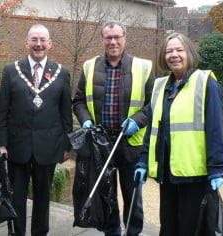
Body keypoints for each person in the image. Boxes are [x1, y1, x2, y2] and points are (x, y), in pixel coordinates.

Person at [134, 32, 223, 235]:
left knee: (191, 228)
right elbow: (152, 128)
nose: (174, 55)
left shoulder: (205, 83)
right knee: (169, 227)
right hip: (168, 172)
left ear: (189, 52)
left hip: (195, 174)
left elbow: (215, 128)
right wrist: (143, 160)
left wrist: (217, 166)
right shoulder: (160, 86)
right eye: (169, 51)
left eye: (179, 50)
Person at [72, 20, 155, 236]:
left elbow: (153, 104)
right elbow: (78, 100)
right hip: (101, 145)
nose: (113, 41)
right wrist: (85, 120)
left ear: (125, 38)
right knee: (106, 195)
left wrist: (138, 120)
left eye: (117, 37)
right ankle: (112, 232)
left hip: (131, 144)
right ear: (102, 40)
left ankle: (132, 232)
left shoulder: (144, 67)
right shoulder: (90, 66)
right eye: (108, 38)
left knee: (132, 196)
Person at [0, 24, 73, 236]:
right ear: (26, 42)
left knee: (43, 198)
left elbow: (66, 113)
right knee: (16, 197)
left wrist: (67, 145)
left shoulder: (62, 72)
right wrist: (1, 143)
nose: (38, 44)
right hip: (16, 147)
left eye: (42, 40)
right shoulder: (11, 71)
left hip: (48, 147)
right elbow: (4, 110)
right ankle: (17, 233)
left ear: (49, 44)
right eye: (34, 40)